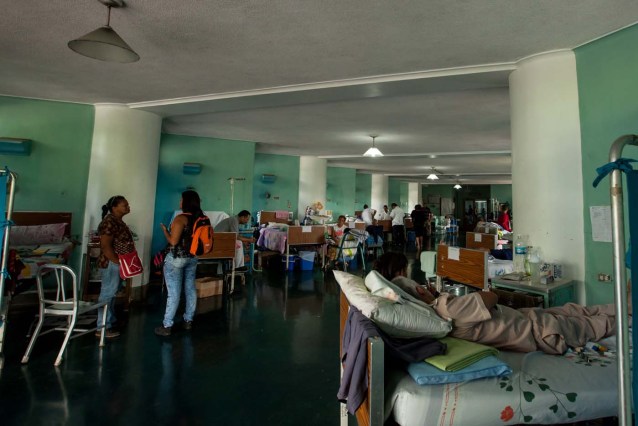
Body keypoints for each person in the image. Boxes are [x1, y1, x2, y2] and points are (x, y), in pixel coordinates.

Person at [374, 252, 616, 355]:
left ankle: (622, 307)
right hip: (538, 331)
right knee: (590, 325)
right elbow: (492, 297)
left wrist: (436, 296)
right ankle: (624, 321)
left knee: (573, 310)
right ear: (419, 290)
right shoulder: (447, 309)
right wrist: (443, 297)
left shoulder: (435, 313)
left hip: (527, 319)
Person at [155, 190, 202, 336]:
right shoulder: (200, 217)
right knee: (190, 289)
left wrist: (164, 231)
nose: (180, 202)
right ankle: (188, 320)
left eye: (181, 200)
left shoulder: (180, 218)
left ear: (186, 202)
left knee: (174, 293)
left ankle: (167, 325)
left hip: (176, 259)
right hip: (193, 258)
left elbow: (173, 241)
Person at [96, 195, 135, 338]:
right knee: (107, 294)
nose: (128, 207)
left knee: (112, 293)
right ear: (114, 208)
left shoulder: (118, 221)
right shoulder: (109, 222)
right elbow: (105, 246)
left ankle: (109, 321)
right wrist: (117, 262)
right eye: (125, 205)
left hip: (116, 262)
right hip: (111, 263)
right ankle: (102, 327)